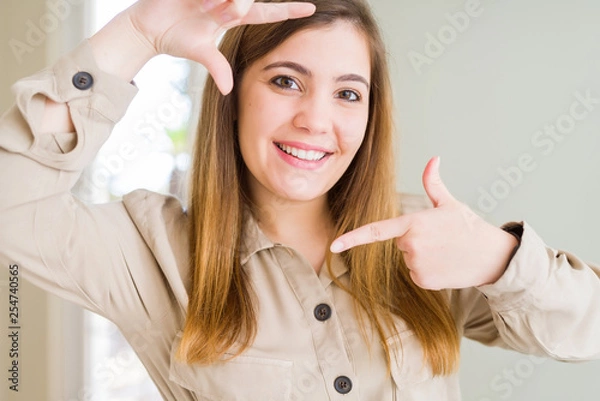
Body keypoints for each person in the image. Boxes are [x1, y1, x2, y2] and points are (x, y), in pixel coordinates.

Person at [1, 0, 599, 400]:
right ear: (231, 93)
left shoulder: (429, 241)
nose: (316, 120)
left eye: (347, 93)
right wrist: (133, 35)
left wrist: (499, 259)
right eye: (286, 80)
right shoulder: (151, 250)